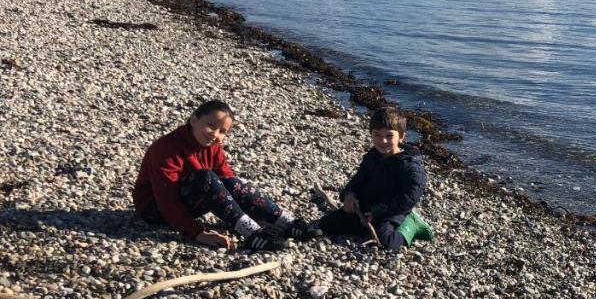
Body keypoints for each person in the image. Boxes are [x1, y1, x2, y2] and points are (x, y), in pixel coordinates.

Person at [132, 99, 319, 251]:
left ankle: (286, 222)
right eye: (211, 126)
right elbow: (168, 201)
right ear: (193, 120)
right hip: (155, 209)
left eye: (223, 131)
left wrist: (250, 212)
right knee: (204, 176)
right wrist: (199, 233)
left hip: (189, 200)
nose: (215, 135)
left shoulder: (212, 147)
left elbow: (229, 182)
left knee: (230, 181)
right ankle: (252, 235)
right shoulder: (166, 148)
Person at [319, 106, 432, 251]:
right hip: (365, 208)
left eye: (389, 136)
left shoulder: (410, 164)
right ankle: (364, 226)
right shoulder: (372, 156)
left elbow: (410, 197)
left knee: (386, 242)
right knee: (327, 224)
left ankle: (412, 225)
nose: (383, 141)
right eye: (377, 135)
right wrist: (349, 194)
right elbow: (359, 179)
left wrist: (379, 211)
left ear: (402, 136)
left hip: (391, 211)